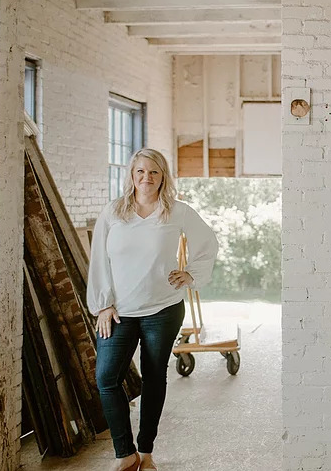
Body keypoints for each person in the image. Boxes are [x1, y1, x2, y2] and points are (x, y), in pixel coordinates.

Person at [87, 148, 219, 471]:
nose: (147, 178)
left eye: (154, 172)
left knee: (154, 377)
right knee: (106, 377)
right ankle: (125, 454)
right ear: (131, 176)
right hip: (120, 312)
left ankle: (145, 453)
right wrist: (103, 304)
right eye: (141, 172)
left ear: (163, 177)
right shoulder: (113, 212)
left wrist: (190, 273)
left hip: (163, 309)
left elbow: (208, 241)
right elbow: (99, 262)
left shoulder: (176, 211)